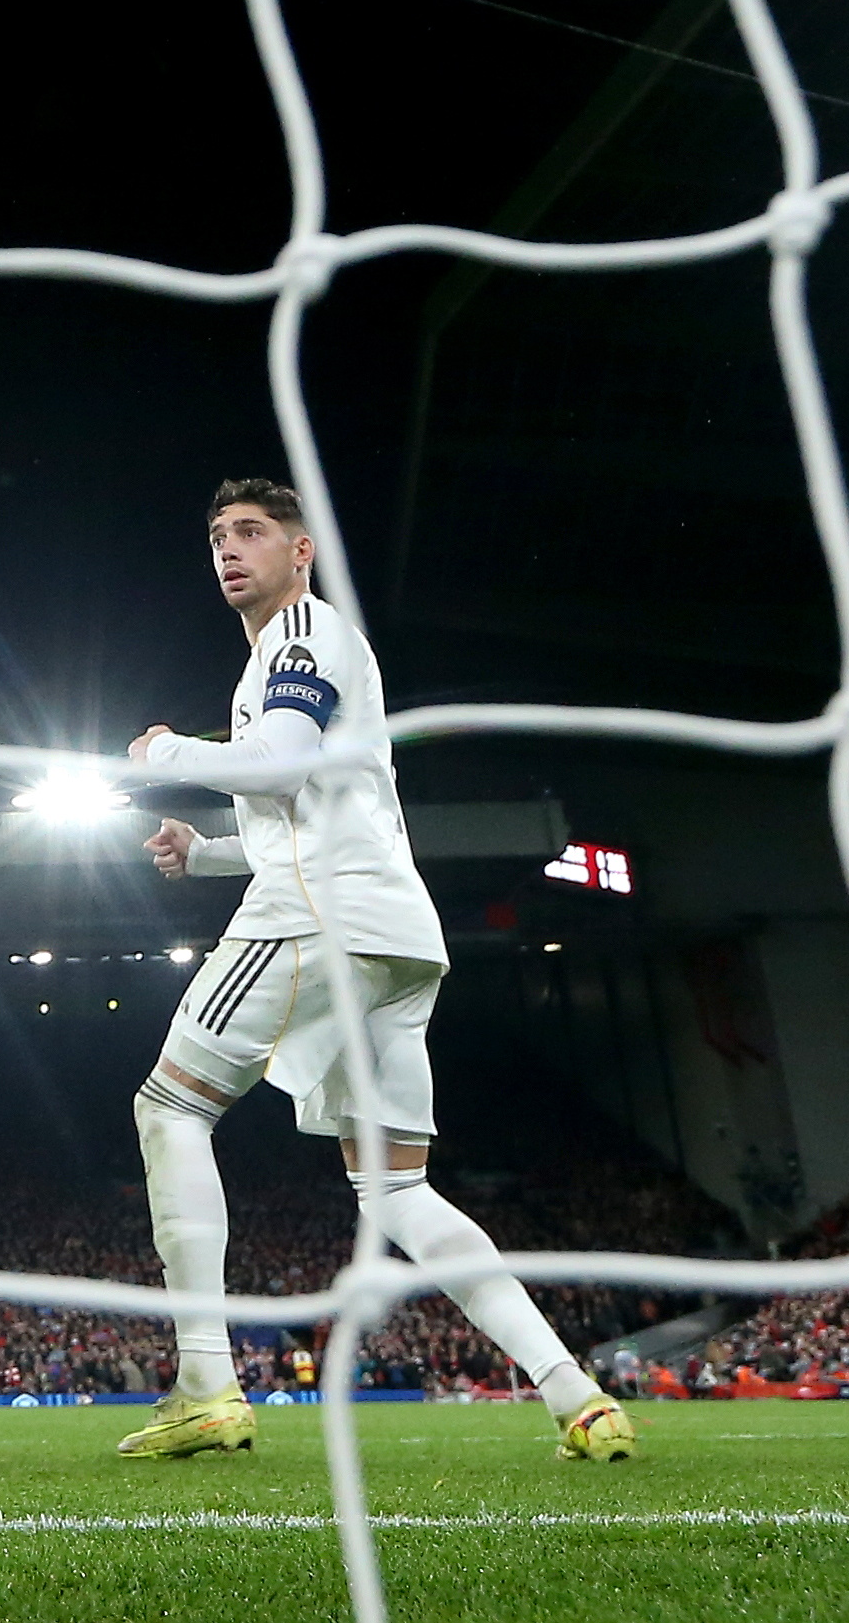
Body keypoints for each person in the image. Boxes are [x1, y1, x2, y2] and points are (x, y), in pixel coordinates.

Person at [118, 478, 628, 1465]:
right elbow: (312, 799)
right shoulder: (288, 654)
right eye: (218, 533)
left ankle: (206, 1382)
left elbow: (277, 763)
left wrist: (165, 750)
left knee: (169, 1107)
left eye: (252, 531)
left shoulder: (303, 633)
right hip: (391, 934)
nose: (230, 547)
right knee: (397, 1191)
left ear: (300, 549)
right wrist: (207, 849)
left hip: (318, 917)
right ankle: (576, 1389)